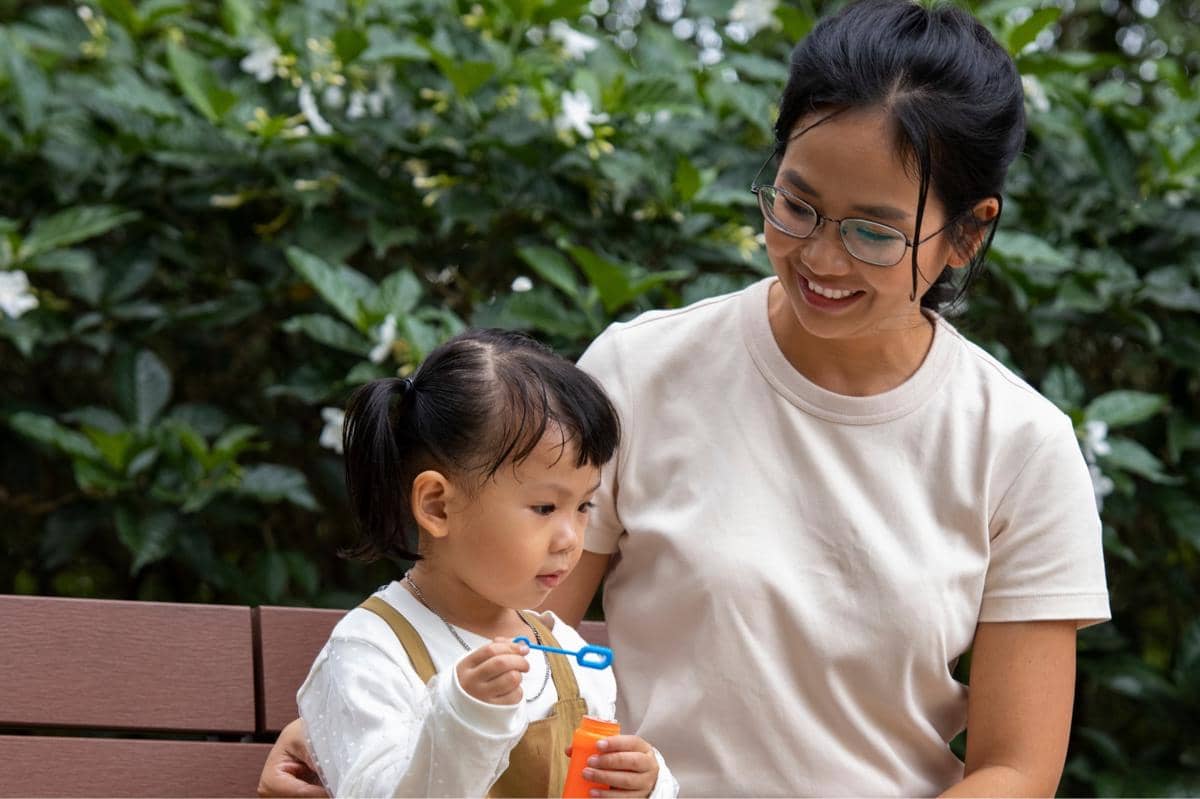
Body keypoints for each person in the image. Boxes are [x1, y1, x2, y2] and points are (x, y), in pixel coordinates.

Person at [260, 1, 1109, 795]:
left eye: (873, 231)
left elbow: (1014, 768)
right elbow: (501, 614)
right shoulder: (643, 371)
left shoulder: (1021, 445)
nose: (820, 256)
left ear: (968, 232)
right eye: (796, 204)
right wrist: (343, 724)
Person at [287, 328, 678, 798]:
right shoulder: (371, 652)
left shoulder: (567, 654)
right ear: (437, 506)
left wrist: (647, 785)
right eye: (545, 508)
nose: (570, 539)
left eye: (584, 507)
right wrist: (464, 716)